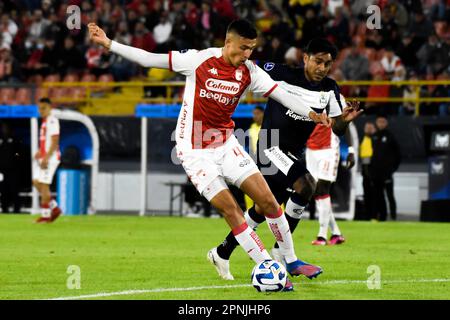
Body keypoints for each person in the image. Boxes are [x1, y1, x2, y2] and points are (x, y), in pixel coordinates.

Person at [88, 20, 334, 291]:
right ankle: (267, 266)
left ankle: (288, 260)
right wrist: (109, 44)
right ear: (228, 43)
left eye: (251, 49)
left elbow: (281, 93)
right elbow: (149, 59)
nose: (247, 55)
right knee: (232, 209)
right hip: (194, 152)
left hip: (226, 144)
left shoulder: (249, 71)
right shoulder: (198, 61)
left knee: (269, 202)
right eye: (243, 49)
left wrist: (311, 113)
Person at [207, 38, 362, 280]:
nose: (322, 68)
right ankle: (283, 255)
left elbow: (337, 128)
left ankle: (222, 251)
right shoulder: (281, 73)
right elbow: (249, 64)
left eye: (328, 64)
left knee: (262, 209)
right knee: (306, 184)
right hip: (270, 147)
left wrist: (344, 119)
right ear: (305, 58)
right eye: (318, 62)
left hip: (292, 154)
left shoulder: (330, 89)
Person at [308, 103, 356, 246]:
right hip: (311, 150)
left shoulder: (335, 98)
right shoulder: (305, 94)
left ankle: (322, 236)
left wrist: (351, 150)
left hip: (329, 150)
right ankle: (336, 233)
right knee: (317, 193)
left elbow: (345, 124)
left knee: (322, 190)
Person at [33, 98, 62, 223]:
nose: (41, 111)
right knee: (35, 181)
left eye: (43, 108)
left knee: (44, 185)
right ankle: (54, 208)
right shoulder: (45, 122)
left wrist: (46, 157)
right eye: (39, 108)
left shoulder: (52, 121)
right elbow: (46, 141)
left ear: (50, 107)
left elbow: (55, 142)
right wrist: (40, 152)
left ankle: (45, 216)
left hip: (51, 158)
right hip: (45, 156)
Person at [370, 115, 401, 221]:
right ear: (376, 123)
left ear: (386, 123)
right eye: (379, 121)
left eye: (383, 122)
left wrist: (392, 169)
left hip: (387, 173)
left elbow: (398, 155)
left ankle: (393, 217)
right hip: (376, 173)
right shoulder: (373, 136)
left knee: (390, 195)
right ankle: (382, 217)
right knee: (378, 196)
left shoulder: (390, 137)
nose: (381, 124)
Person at [244, 105, 264, 210]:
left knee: (273, 191)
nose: (255, 116)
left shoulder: (268, 126)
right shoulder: (251, 128)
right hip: (254, 163)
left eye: (257, 113)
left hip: (268, 163)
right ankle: (249, 215)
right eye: (253, 114)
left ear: (263, 114)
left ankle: (280, 215)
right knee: (248, 190)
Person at [359, 121, 376, 221]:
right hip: (365, 169)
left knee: (374, 194)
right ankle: (367, 216)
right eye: (367, 128)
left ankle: (375, 215)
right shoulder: (362, 139)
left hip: (373, 168)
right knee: (367, 194)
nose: (369, 129)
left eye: (371, 128)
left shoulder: (375, 139)